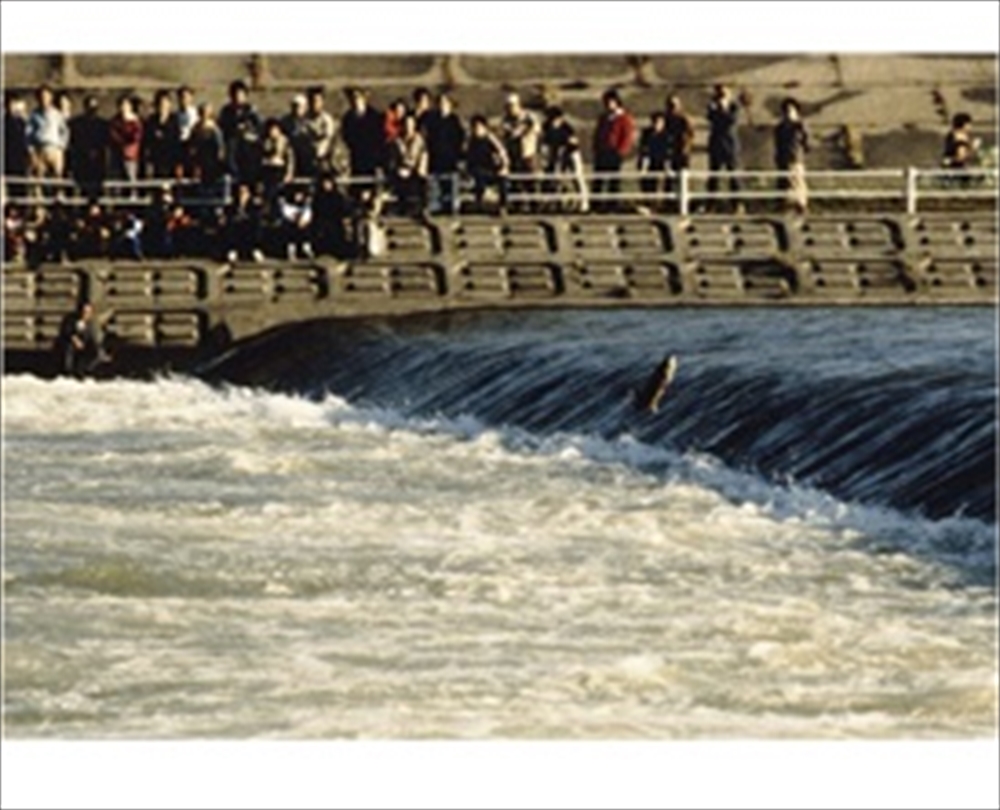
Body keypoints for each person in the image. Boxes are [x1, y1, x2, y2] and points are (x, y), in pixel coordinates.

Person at [592, 89, 636, 211]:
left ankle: (612, 204)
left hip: (614, 152)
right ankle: (596, 204)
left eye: (610, 102)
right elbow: (598, 133)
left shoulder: (624, 118)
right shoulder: (604, 118)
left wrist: (620, 151)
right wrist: (597, 147)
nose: (607, 105)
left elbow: (627, 136)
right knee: (598, 179)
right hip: (602, 151)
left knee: (613, 180)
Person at [422, 92, 466, 214]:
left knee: (450, 185)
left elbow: (459, 140)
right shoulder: (432, 120)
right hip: (435, 158)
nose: (442, 105)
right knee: (434, 185)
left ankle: (451, 207)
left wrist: (457, 156)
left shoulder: (455, 121)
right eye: (440, 103)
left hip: (450, 159)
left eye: (445, 103)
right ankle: (435, 207)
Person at [542, 106, 588, 212]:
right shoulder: (547, 127)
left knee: (577, 175)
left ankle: (584, 201)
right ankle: (554, 202)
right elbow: (546, 143)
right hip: (556, 153)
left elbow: (572, 142)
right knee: (555, 176)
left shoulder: (567, 128)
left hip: (571, 153)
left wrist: (563, 152)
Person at [26, 84, 70, 193]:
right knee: (38, 179)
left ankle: (59, 206)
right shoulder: (33, 115)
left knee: (57, 178)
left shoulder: (57, 114)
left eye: (46, 96)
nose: (44, 99)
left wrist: (61, 146)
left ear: (51, 98)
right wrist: (31, 150)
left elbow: (64, 131)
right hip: (39, 149)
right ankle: (39, 207)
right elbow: (28, 134)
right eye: (41, 96)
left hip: (55, 148)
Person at [500, 92, 541, 211]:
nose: (510, 109)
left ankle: (535, 205)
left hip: (529, 154)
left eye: (512, 106)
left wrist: (523, 131)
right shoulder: (506, 120)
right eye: (508, 106)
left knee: (532, 181)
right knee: (516, 182)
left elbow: (536, 129)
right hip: (514, 155)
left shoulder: (529, 117)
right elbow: (505, 133)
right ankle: (518, 205)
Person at [218, 79, 262, 186]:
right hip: (232, 143)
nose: (237, 97)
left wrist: (248, 132)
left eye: (240, 94)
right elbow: (222, 128)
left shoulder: (251, 110)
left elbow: (259, 128)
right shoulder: (226, 111)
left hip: (248, 145)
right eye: (235, 94)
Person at [340, 87, 385, 192]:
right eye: (352, 98)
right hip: (355, 161)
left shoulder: (374, 117)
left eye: (357, 97)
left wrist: (379, 163)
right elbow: (346, 139)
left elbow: (379, 141)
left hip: (371, 162)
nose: (355, 101)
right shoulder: (348, 118)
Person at [706, 84, 742, 211]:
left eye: (724, 93)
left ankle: (737, 204)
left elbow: (731, 121)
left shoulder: (734, 107)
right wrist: (717, 110)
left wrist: (721, 111)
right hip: (716, 144)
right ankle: (711, 203)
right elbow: (711, 119)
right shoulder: (712, 106)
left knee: (734, 175)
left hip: (730, 145)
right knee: (713, 176)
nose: (721, 96)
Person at [465, 114, 509, 214]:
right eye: (474, 127)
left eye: (479, 127)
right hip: (477, 170)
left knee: (503, 179)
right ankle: (479, 203)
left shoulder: (490, 138)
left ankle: (503, 206)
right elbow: (468, 156)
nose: (476, 130)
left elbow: (502, 152)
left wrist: (504, 166)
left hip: (491, 169)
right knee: (478, 175)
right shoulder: (471, 141)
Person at [387, 113, 429, 216]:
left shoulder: (420, 141)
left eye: (410, 124)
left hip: (416, 173)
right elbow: (393, 159)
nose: (408, 127)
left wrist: (415, 170)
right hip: (400, 173)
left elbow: (423, 158)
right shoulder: (396, 142)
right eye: (406, 124)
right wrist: (398, 169)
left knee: (417, 185)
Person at [774, 97, 810, 214]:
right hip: (782, 159)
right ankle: (783, 205)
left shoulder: (800, 126)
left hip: (796, 158)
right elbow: (778, 143)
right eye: (786, 111)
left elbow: (806, 142)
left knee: (797, 182)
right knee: (783, 182)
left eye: (790, 111)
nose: (788, 114)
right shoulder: (780, 128)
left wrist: (802, 151)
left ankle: (801, 205)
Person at [69, 95, 108, 201]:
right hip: (82, 161)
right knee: (82, 190)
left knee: (97, 191)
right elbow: (74, 142)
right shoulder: (76, 124)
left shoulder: (103, 124)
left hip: (98, 162)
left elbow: (105, 143)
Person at [58, 301, 107, 378]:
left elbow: (92, 338)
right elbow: (67, 332)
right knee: (70, 349)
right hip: (69, 345)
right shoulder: (71, 319)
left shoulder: (90, 324)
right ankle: (68, 371)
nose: (86, 314)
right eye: (85, 312)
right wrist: (75, 339)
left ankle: (84, 370)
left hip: (82, 348)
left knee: (94, 352)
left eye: (88, 312)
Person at [108, 94, 143, 197]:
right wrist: (122, 142)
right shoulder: (115, 121)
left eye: (126, 105)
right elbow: (113, 135)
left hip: (131, 156)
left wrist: (128, 143)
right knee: (117, 183)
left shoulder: (136, 121)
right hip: (117, 155)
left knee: (131, 181)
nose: (124, 107)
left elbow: (137, 137)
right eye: (121, 105)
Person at [143, 89, 181, 179]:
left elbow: (177, 142)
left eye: (165, 102)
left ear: (169, 104)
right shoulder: (151, 121)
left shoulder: (174, 120)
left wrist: (178, 163)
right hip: (156, 160)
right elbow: (147, 142)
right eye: (160, 103)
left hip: (171, 159)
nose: (163, 105)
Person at [260, 117, 295, 214]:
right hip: (267, 171)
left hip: (280, 171)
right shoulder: (264, 142)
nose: (272, 132)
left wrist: (289, 173)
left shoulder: (284, 141)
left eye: (274, 129)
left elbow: (290, 159)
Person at [223, 182, 264, 263]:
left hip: (249, 221)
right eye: (241, 192)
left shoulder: (253, 202)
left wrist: (246, 216)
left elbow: (255, 213)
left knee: (254, 225)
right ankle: (233, 250)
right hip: (237, 221)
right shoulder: (234, 201)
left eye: (245, 192)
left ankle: (255, 250)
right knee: (232, 226)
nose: (243, 194)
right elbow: (229, 212)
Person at [664, 95, 694, 199]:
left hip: (681, 153)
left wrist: (685, 148)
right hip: (668, 153)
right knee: (668, 180)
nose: (672, 107)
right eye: (670, 105)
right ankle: (668, 202)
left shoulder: (684, 119)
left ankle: (684, 202)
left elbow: (690, 135)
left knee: (682, 179)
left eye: (674, 105)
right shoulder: (665, 119)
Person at [637, 112, 670, 206]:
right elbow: (644, 149)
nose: (657, 124)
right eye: (655, 122)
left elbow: (667, 152)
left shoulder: (666, 135)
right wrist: (643, 165)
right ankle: (647, 203)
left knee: (659, 185)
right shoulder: (647, 133)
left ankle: (658, 204)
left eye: (659, 122)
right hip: (648, 162)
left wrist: (667, 166)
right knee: (646, 184)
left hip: (660, 163)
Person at [3, 92, 30, 200]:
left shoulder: (22, 122)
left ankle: (20, 208)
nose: (11, 107)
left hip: (20, 157)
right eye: (9, 104)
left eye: (14, 104)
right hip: (7, 156)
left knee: (20, 184)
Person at [304, 86, 336, 177]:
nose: (314, 104)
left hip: (324, 159)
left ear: (322, 102)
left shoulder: (327, 120)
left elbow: (328, 139)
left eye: (317, 101)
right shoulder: (304, 119)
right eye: (312, 101)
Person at [942, 112, 980, 188]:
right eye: (969, 124)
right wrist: (974, 148)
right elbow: (961, 157)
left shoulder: (952, 134)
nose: (971, 127)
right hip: (957, 170)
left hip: (949, 167)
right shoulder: (960, 138)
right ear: (964, 125)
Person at [278, 186, 314, 260]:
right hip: (292, 224)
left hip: (303, 224)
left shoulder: (305, 206)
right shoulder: (288, 205)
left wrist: (304, 221)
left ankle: (306, 249)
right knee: (291, 232)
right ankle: (291, 252)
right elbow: (287, 214)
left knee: (305, 232)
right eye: (297, 195)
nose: (298, 197)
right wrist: (295, 219)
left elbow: (308, 214)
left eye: (300, 196)